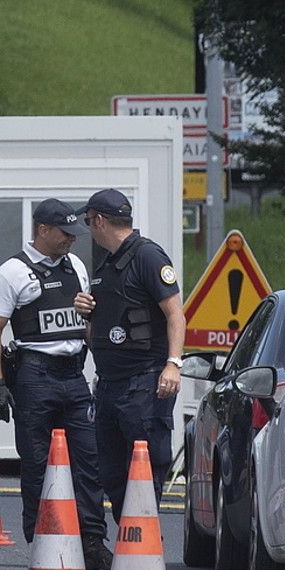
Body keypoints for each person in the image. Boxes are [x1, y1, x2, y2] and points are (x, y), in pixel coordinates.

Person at [0, 198, 113, 570]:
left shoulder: (76, 266)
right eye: (64, 233)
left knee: (89, 462)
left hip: (73, 374)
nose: (72, 239)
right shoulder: (12, 272)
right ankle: (42, 539)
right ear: (42, 230)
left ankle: (91, 541)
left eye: (74, 233)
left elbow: (85, 324)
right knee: (37, 462)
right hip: (34, 375)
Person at [73, 189, 186, 521]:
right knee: (111, 473)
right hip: (109, 384)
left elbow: (176, 314)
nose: (88, 229)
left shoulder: (147, 257)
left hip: (144, 382)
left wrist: (173, 364)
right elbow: (106, 323)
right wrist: (87, 311)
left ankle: (143, 553)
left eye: (89, 222)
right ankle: (131, 550)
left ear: (101, 221)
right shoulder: (108, 263)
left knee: (144, 471)